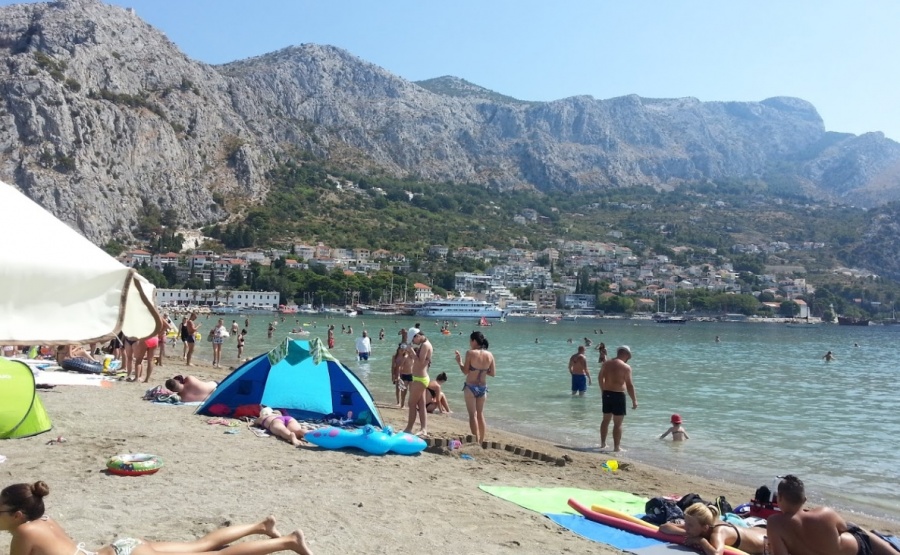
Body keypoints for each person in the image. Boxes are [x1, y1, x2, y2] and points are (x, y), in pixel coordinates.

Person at [0, 481, 314, 555]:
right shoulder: (44, 521)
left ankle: (288, 541)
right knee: (200, 545)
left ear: (17, 515)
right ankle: (261, 526)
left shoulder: (24, 533)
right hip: (123, 547)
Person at [767, 475, 896, 555]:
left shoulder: (774, 523)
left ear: (779, 498)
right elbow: (844, 527)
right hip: (857, 550)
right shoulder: (824, 513)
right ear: (804, 500)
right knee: (854, 528)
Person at [659, 502, 767, 554]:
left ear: (705, 528)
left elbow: (716, 554)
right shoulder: (697, 525)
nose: (686, 526)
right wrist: (686, 532)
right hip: (754, 530)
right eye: (686, 523)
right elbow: (664, 527)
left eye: (690, 525)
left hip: (767, 540)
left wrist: (701, 541)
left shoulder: (718, 532)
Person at [454, 331, 495, 444]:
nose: (469, 343)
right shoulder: (490, 355)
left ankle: (475, 441)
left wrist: (459, 362)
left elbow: (465, 371)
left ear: (474, 341)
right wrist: (482, 370)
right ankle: (481, 441)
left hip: (471, 387)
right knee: (480, 414)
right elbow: (492, 373)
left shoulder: (470, 353)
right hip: (483, 387)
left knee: (473, 415)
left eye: (470, 341)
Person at [599, 345, 637, 452]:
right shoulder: (626, 367)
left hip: (607, 394)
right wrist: (634, 400)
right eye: (629, 356)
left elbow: (600, 377)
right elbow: (629, 385)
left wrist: (603, 390)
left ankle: (603, 444)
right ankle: (616, 447)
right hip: (618, 395)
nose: (628, 359)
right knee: (618, 423)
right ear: (625, 354)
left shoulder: (606, 363)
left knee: (605, 420)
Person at [402, 331, 432, 436]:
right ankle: (423, 429)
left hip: (420, 378)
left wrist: (412, 351)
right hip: (420, 377)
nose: (414, 342)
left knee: (411, 403)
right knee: (421, 404)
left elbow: (419, 362)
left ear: (418, 336)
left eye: (414, 340)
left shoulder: (425, 345)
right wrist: (410, 352)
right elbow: (420, 361)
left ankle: (409, 428)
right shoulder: (425, 344)